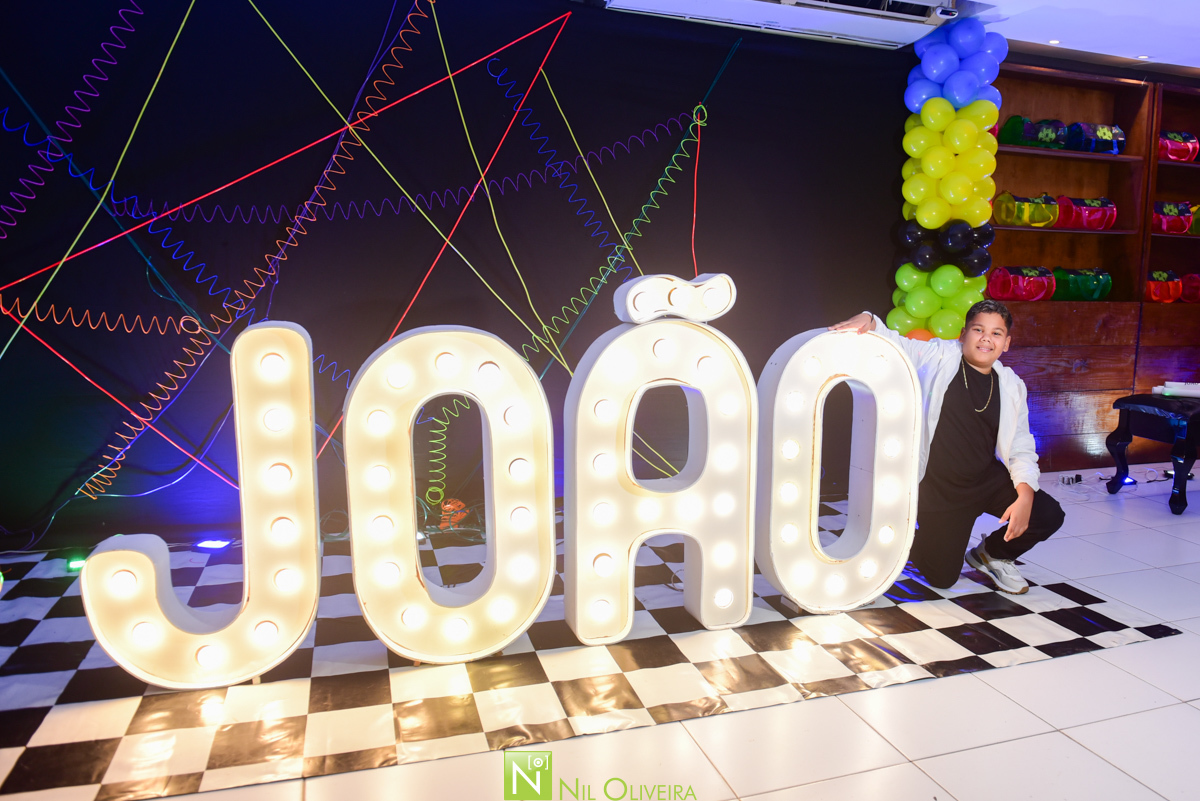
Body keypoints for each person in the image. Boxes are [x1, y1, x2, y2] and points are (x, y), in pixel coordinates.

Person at [829, 300, 1065, 594]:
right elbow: (894, 341)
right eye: (978, 330)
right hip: (940, 489)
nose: (986, 339)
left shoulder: (1011, 384)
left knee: (1048, 514)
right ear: (963, 334)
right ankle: (900, 538)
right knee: (942, 578)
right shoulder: (937, 357)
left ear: (1006, 343)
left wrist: (1025, 495)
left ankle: (991, 554)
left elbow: (1020, 445)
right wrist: (868, 318)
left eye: (996, 333)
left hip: (985, 481)